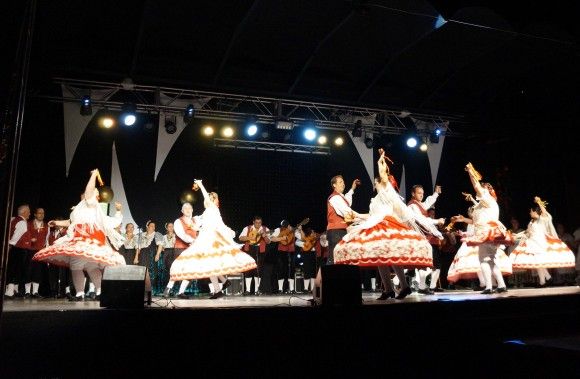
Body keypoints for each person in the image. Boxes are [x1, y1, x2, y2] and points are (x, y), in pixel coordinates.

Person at [334, 150, 438, 300]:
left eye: (377, 182)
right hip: (376, 222)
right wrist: (355, 214)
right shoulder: (375, 199)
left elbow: (383, 176)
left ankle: (403, 286)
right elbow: (371, 216)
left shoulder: (387, 192)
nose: (375, 184)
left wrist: (380, 162)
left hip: (386, 225)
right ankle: (390, 289)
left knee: (390, 256)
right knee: (380, 257)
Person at [33, 169, 125, 301]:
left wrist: (93, 175)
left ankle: (91, 293)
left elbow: (111, 220)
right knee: (85, 266)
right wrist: (57, 222)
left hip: (89, 238)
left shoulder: (92, 204)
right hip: (81, 237)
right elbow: (71, 222)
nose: (88, 193)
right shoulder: (79, 208)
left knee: (83, 266)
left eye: (93, 192)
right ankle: (89, 293)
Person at [169, 179, 256, 299]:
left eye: (210, 198)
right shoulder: (207, 212)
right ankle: (219, 287)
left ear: (214, 200)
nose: (207, 200)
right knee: (210, 264)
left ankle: (219, 287)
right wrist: (195, 226)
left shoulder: (213, 209)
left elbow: (219, 224)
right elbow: (203, 225)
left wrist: (200, 185)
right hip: (205, 239)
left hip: (209, 240)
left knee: (210, 263)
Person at [460, 163, 512, 294]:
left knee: (483, 259)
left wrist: (471, 173)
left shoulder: (488, 199)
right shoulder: (487, 203)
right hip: (491, 232)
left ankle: (489, 287)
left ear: (487, 191)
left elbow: (477, 186)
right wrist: (472, 199)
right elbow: (478, 205)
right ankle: (501, 285)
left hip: (486, 232)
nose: (479, 192)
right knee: (492, 259)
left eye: (483, 190)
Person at [509, 197, 576, 287]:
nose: (530, 213)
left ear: (535, 212)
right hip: (532, 244)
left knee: (538, 262)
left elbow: (544, 212)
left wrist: (539, 202)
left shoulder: (541, 220)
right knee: (537, 263)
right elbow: (527, 232)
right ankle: (545, 279)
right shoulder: (531, 222)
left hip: (540, 244)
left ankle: (544, 280)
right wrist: (516, 236)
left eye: (531, 211)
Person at [407, 184, 445, 295]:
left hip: (422, 236)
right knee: (420, 261)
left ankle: (422, 287)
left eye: (422, 193)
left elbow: (427, 203)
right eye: (419, 193)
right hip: (416, 236)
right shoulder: (412, 206)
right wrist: (437, 221)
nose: (421, 195)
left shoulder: (419, 204)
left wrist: (436, 193)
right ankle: (419, 286)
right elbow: (422, 220)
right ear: (413, 194)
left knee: (423, 262)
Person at [162, 202, 199, 299]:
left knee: (190, 271)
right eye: (185, 208)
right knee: (178, 269)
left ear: (192, 210)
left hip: (192, 249)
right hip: (180, 249)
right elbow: (181, 234)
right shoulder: (178, 221)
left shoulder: (195, 220)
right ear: (182, 211)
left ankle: (181, 292)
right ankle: (168, 289)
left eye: (189, 208)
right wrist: (193, 240)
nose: (188, 209)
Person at [4, 204, 32, 299]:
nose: (29, 213)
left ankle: (14, 290)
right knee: (15, 269)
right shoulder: (21, 222)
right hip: (18, 249)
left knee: (16, 269)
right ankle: (10, 292)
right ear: (23, 212)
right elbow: (16, 236)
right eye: (28, 211)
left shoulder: (14, 220)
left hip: (17, 248)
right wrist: (10, 244)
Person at [238, 216, 270, 295]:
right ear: (253, 222)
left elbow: (268, 242)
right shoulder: (247, 228)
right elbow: (240, 238)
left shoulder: (265, 229)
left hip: (260, 250)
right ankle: (248, 290)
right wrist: (250, 237)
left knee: (258, 270)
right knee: (248, 269)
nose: (258, 224)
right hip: (249, 249)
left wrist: (264, 236)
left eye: (260, 223)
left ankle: (256, 290)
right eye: (256, 222)